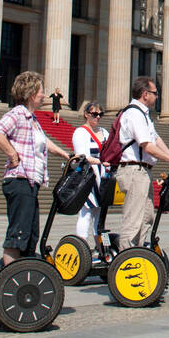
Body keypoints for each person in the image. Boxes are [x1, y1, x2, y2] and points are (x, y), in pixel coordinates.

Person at [0, 71, 72, 266]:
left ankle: (23, 273)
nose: (44, 95)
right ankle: (9, 276)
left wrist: (65, 154)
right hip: (19, 180)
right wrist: (12, 155)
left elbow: (44, 143)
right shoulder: (18, 114)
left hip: (29, 182)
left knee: (30, 233)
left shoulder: (32, 119)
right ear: (31, 93)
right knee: (18, 234)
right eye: (41, 91)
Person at [115, 77, 169, 250]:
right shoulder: (134, 114)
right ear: (145, 94)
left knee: (146, 218)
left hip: (142, 172)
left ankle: (137, 252)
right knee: (134, 219)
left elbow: (155, 138)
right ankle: (126, 260)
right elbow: (147, 145)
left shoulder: (144, 115)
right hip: (134, 170)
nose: (157, 97)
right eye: (155, 93)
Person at [69, 100, 107, 244]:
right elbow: (82, 156)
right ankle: (82, 246)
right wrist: (101, 162)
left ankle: (100, 246)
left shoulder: (104, 132)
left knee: (100, 214)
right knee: (86, 212)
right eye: (94, 114)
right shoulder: (80, 132)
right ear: (86, 114)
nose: (97, 117)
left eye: (100, 114)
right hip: (88, 177)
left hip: (103, 177)